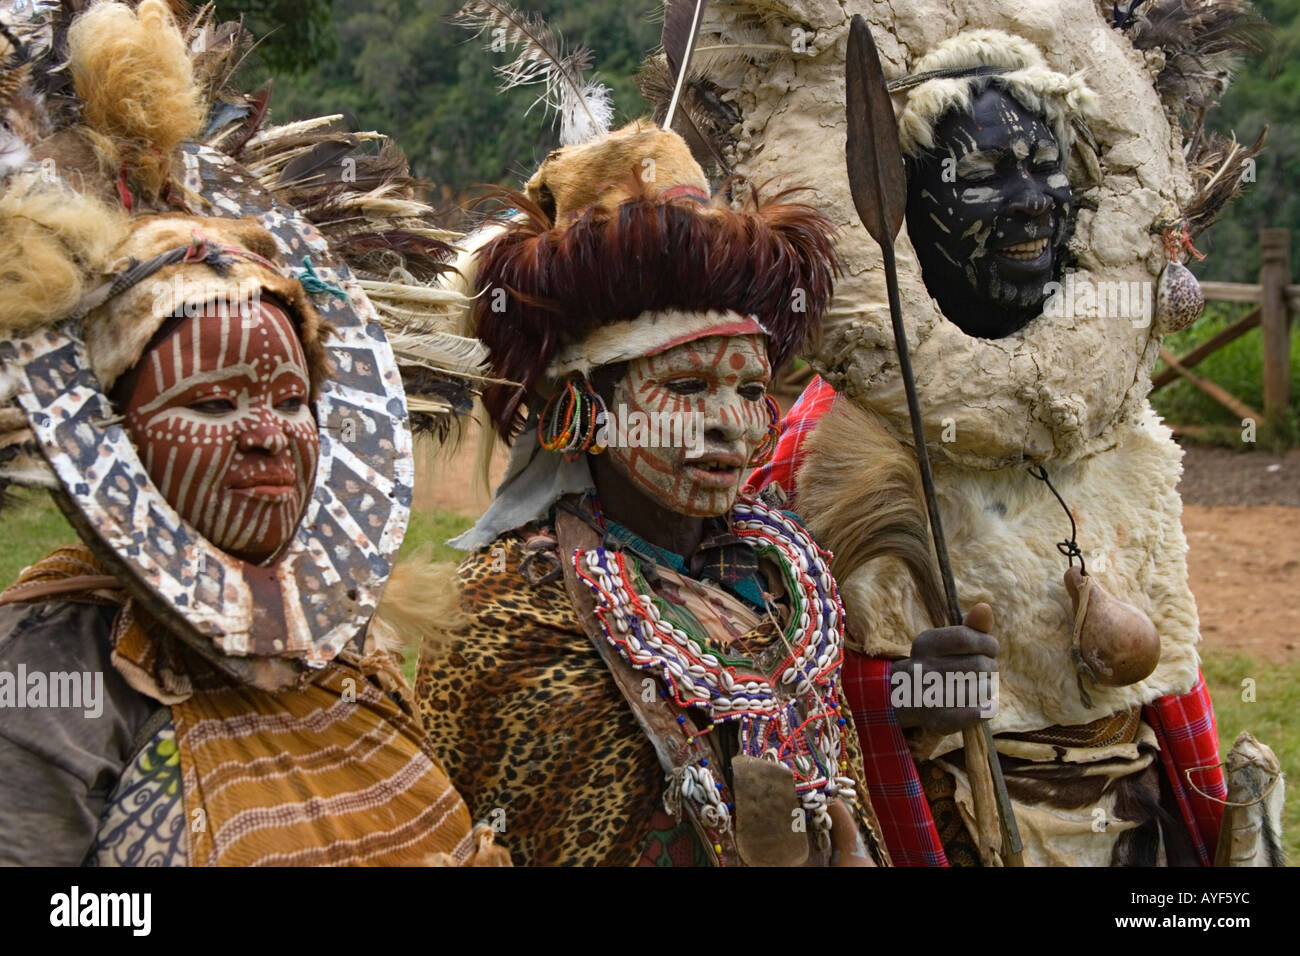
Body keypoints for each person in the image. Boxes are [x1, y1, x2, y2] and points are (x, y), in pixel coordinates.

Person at [636, 0, 1271, 865]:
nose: (1029, 205)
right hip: (959, 826)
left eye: (1048, 169)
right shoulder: (833, 450)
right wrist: (920, 693)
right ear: (906, 206)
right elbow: (793, 698)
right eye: (983, 178)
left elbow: (1170, 666)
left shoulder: (1119, 435)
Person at [0, 0, 503, 866]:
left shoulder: (347, 645)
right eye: (211, 404)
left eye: (290, 399)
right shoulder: (51, 675)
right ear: (116, 430)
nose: (269, 437)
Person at [407, 120, 960, 866]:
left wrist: (926, 706)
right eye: (688, 386)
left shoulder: (782, 568)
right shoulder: (509, 617)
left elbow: (841, 760)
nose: (731, 424)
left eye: (752, 389)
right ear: (583, 409)